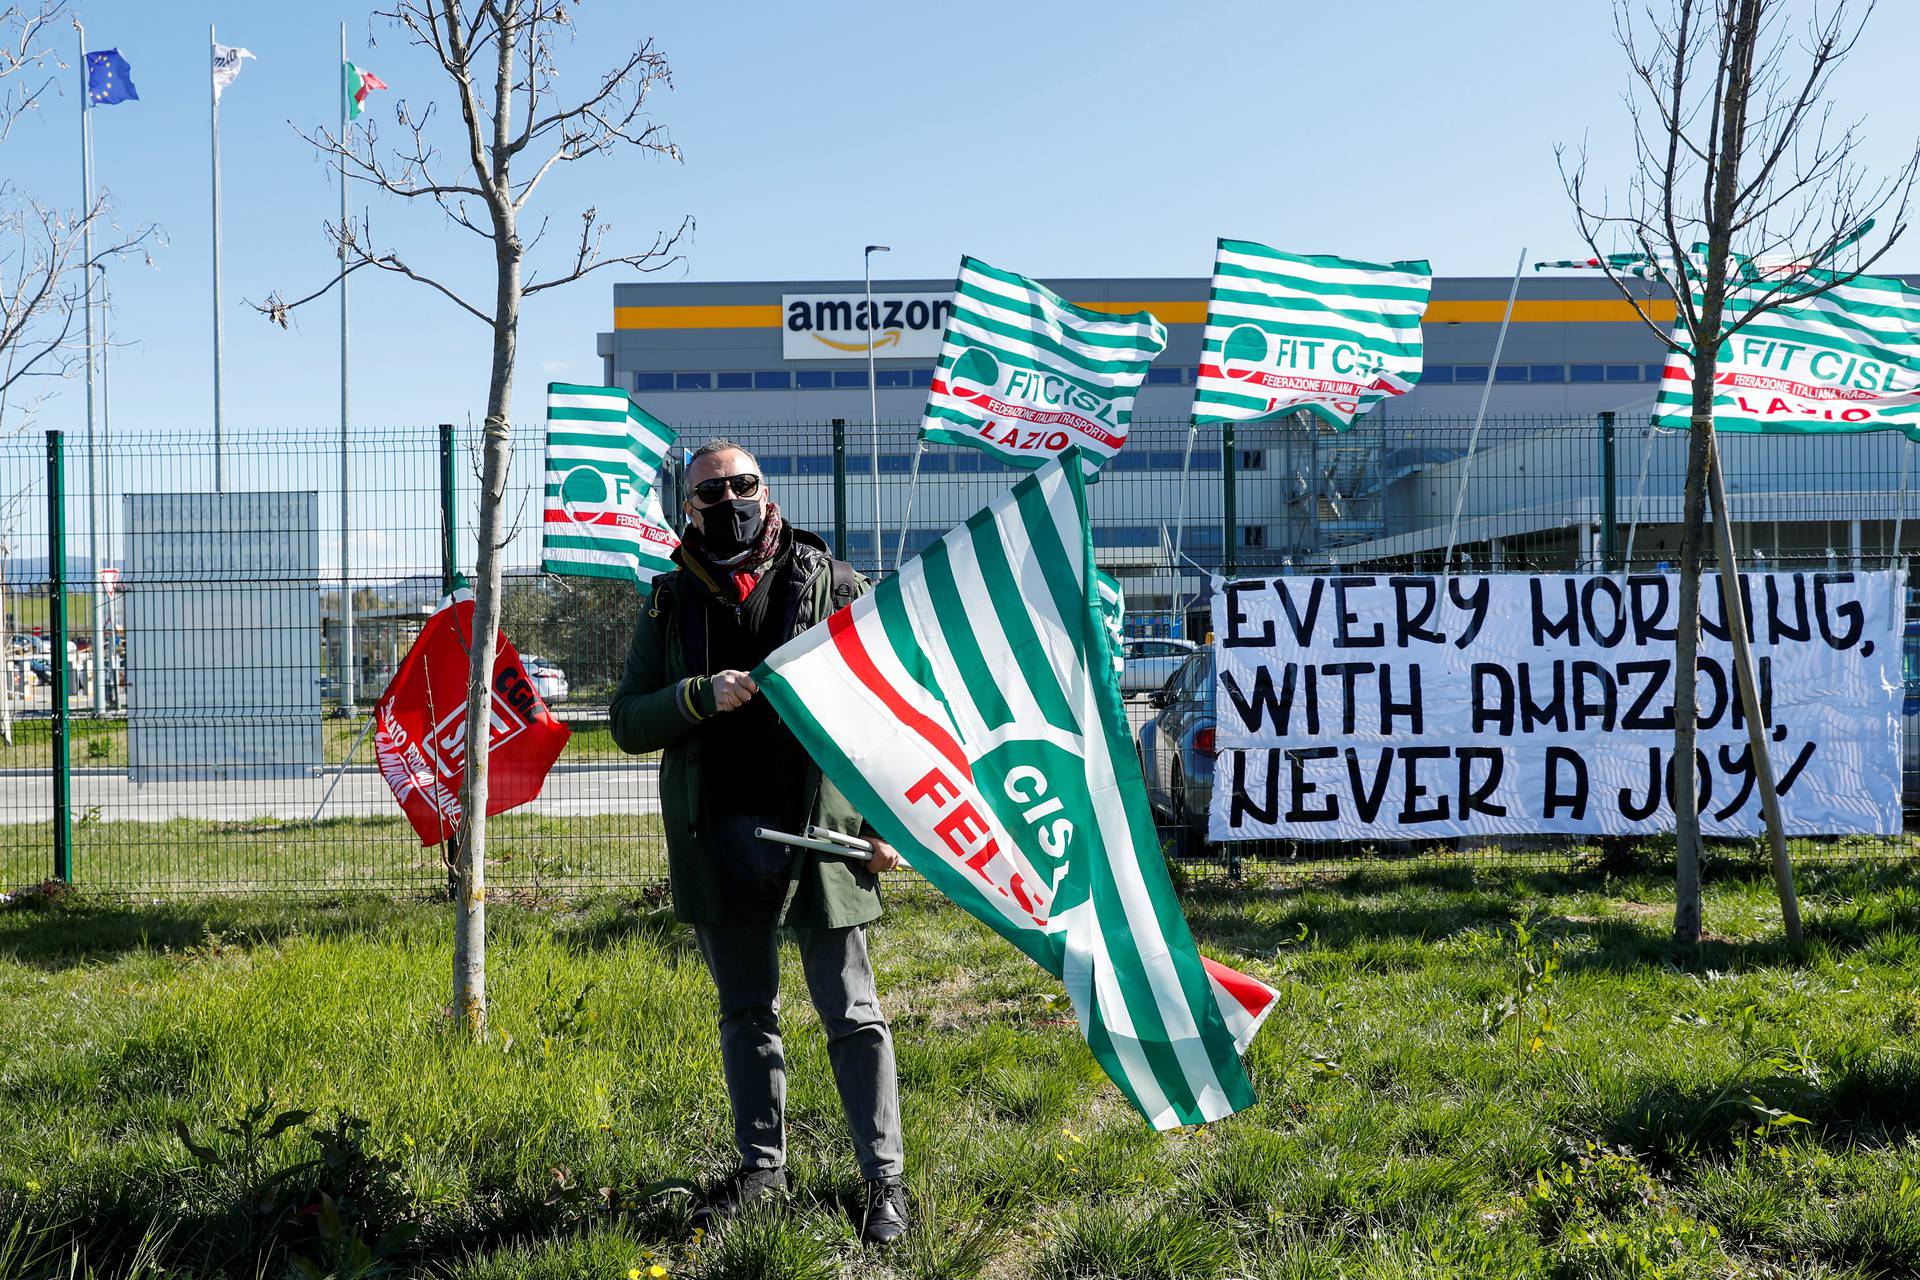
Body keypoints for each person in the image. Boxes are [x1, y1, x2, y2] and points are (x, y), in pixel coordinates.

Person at [609, 438, 910, 1245]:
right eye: (712, 491)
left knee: (853, 1013)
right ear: (688, 509)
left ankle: (884, 1184)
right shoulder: (668, 600)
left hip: (825, 837)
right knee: (747, 1014)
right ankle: (762, 1169)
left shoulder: (835, 583)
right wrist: (699, 695)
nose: (731, 500)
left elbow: (890, 712)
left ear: (768, 492)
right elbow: (627, 720)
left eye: (744, 484)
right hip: (720, 836)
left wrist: (883, 828)